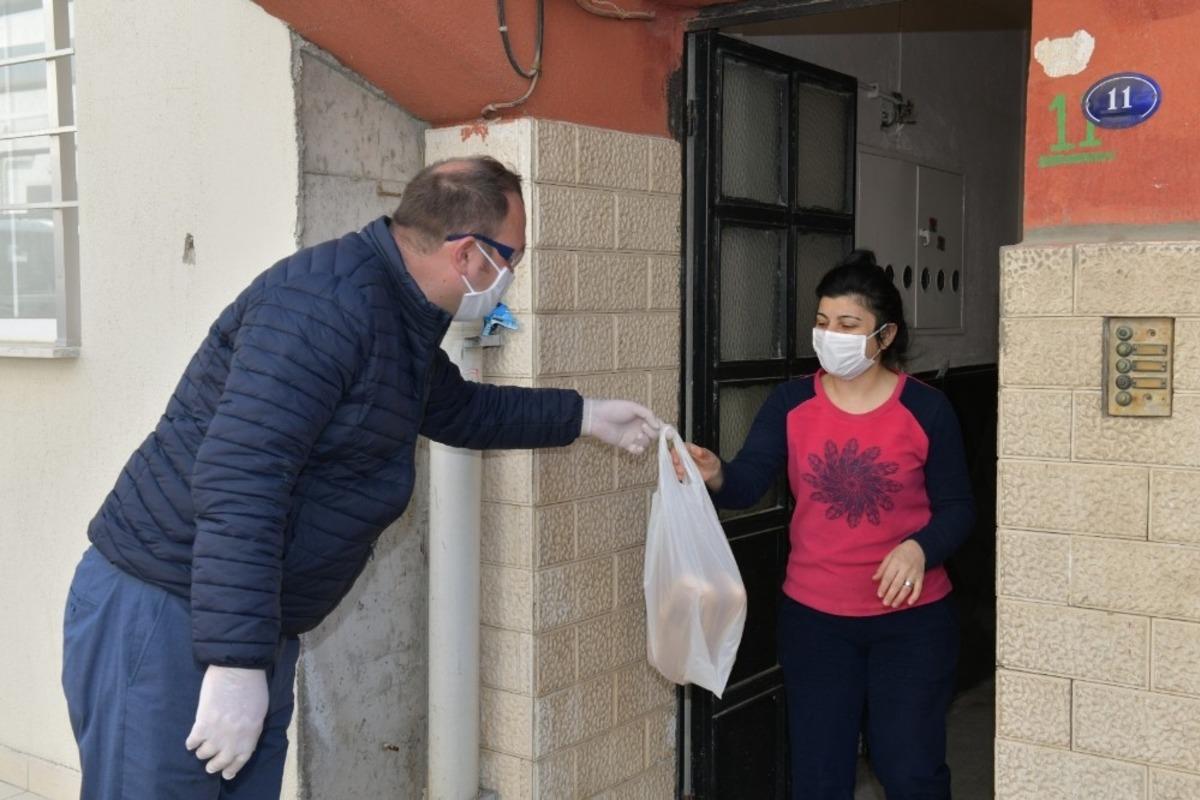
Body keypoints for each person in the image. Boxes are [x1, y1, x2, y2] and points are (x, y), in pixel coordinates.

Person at [62, 156, 661, 799]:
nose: (510, 277)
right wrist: (233, 664)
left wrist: (587, 416)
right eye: (510, 260)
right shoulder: (326, 306)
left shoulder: (392, 312)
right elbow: (243, 479)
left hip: (236, 613)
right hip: (169, 612)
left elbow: (461, 409)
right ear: (468, 256)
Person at [674, 250, 973, 799]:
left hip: (912, 624)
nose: (830, 334)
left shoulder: (927, 411)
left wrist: (919, 548)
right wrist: (715, 472)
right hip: (816, 623)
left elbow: (958, 509)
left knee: (911, 770)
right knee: (818, 775)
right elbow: (746, 484)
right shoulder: (791, 403)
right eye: (822, 322)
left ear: (884, 336)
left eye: (848, 325)